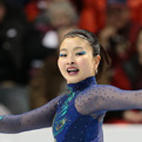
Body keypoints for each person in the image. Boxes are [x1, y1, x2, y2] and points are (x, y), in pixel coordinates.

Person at [0, 29, 142, 142]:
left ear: (96, 61)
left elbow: (136, 97)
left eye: (79, 53)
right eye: (64, 55)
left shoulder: (94, 95)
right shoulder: (61, 103)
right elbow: (17, 123)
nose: (70, 60)